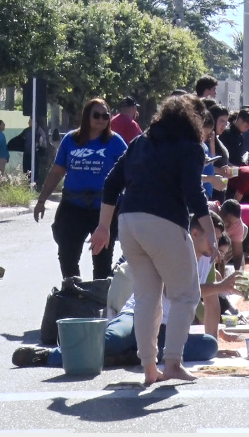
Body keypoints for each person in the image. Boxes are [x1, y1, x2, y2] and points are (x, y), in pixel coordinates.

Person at [90, 94, 218, 385]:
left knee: (147, 297)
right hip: (163, 222)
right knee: (186, 294)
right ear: (194, 120)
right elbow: (194, 194)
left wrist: (103, 228)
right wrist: (210, 232)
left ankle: (149, 369)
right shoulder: (190, 147)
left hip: (128, 223)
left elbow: (111, 183)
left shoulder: (140, 143)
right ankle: (172, 361)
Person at [14, 216, 241, 369]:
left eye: (218, 237)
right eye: (212, 236)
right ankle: (47, 356)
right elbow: (173, 290)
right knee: (111, 339)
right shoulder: (173, 250)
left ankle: (134, 353)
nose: (215, 243)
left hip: (168, 329)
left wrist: (216, 341)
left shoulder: (208, 261)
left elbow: (212, 304)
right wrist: (223, 287)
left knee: (208, 345)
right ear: (194, 232)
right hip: (139, 316)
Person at [35, 99, 128, 280]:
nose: (101, 119)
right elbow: (56, 172)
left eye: (105, 116)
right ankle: (74, 294)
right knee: (67, 257)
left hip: (104, 210)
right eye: (96, 115)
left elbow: (132, 170)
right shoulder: (71, 140)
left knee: (102, 262)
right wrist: (41, 200)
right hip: (73, 207)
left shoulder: (115, 142)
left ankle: (97, 300)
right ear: (87, 117)